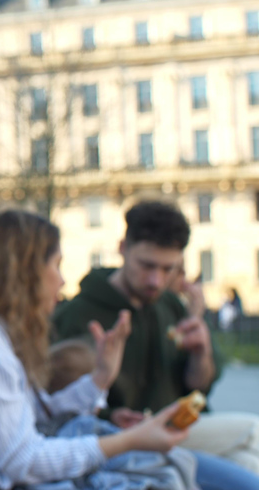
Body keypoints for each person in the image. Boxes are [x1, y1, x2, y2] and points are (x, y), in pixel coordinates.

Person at [0, 210, 259, 489]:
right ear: (24, 273)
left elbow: (32, 419)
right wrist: (131, 440)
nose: (61, 279)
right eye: (56, 265)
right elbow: (22, 459)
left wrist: (100, 378)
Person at [53, 200, 259, 474]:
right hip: (115, 442)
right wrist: (109, 415)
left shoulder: (171, 306)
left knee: (248, 463)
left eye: (167, 269)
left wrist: (201, 354)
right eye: (147, 265)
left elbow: (199, 388)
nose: (156, 280)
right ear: (123, 248)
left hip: (177, 433)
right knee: (253, 433)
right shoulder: (77, 314)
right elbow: (53, 401)